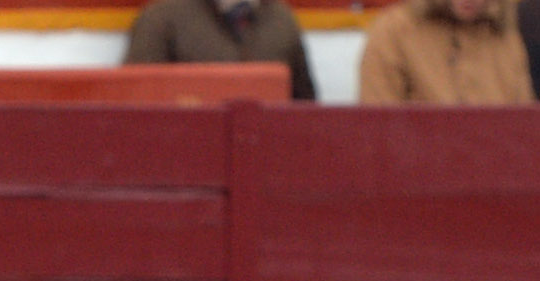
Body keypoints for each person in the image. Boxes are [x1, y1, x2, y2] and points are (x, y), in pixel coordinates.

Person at [125, 0, 318, 99]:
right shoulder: (162, 19)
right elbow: (135, 108)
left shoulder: (282, 18)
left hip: (267, 159)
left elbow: (305, 110)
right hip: (183, 160)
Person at [359, 0, 535, 100]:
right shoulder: (393, 32)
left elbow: (522, 127)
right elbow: (377, 128)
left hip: (495, 161)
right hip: (418, 162)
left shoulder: (504, 37)